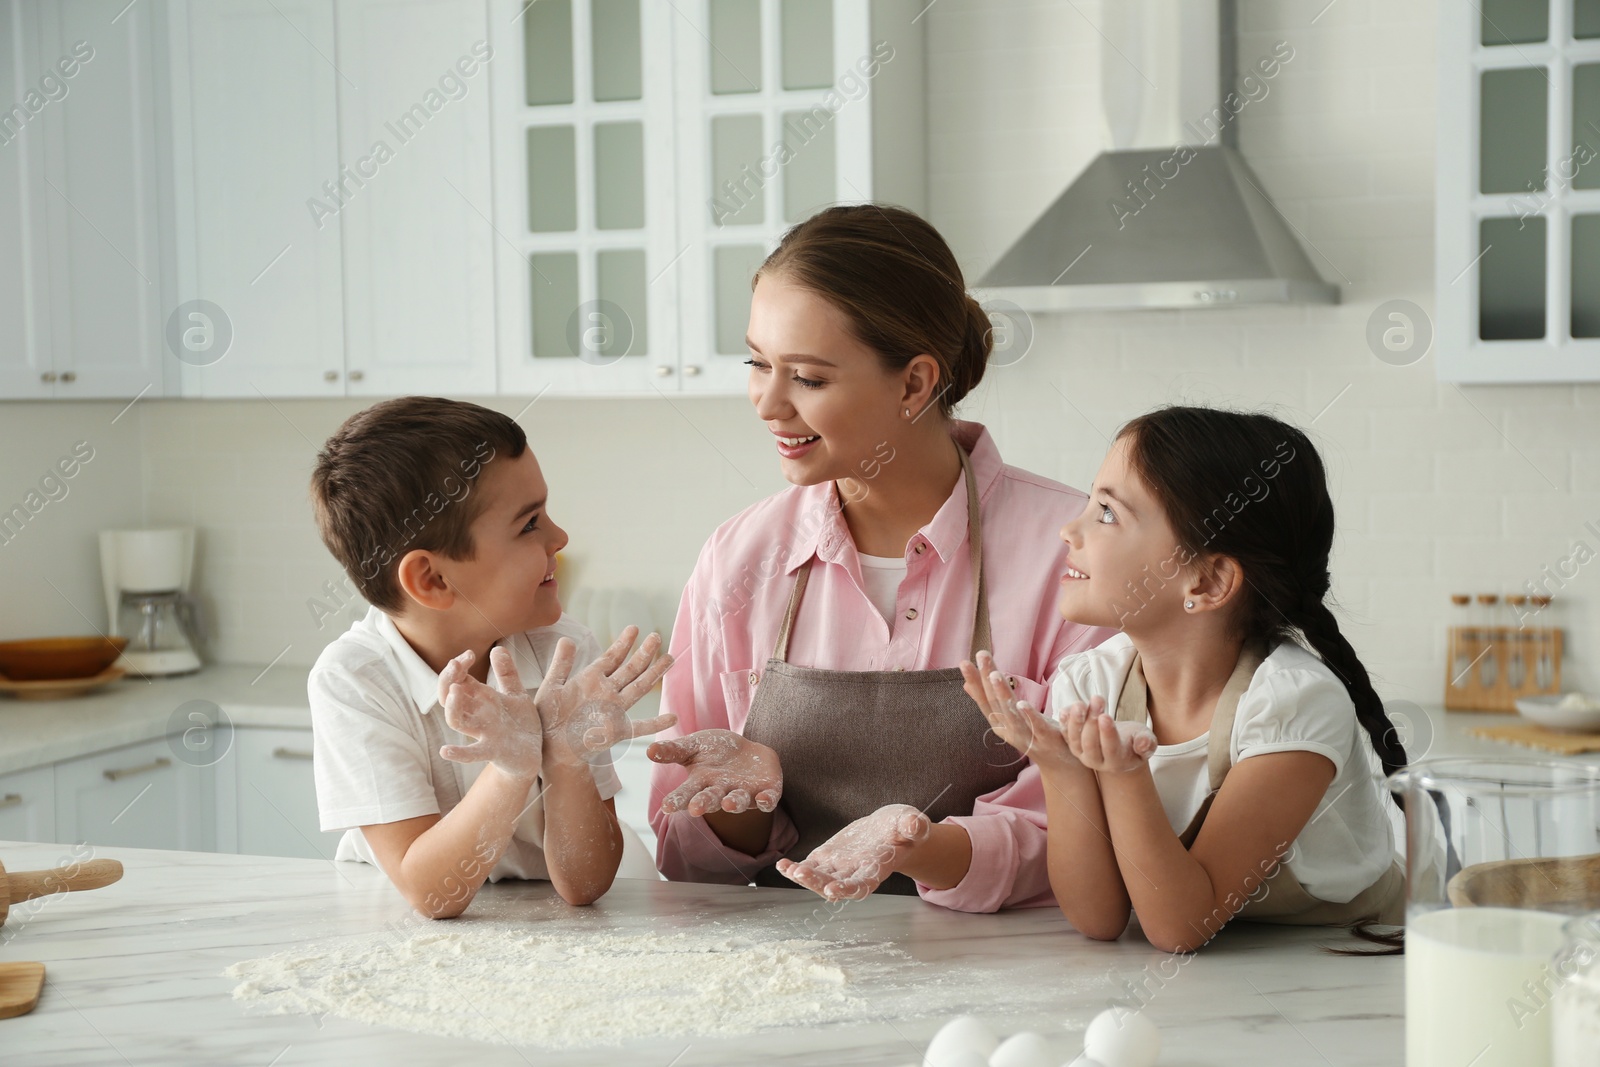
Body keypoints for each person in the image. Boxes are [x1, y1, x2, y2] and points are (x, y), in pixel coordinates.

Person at [646, 204, 1113, 910]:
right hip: (790, 978)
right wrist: (735, 806)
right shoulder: (739, 558)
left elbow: (1088, 833)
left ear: (915, 384)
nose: (768, 402)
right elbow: (686, 862)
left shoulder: (1071, 553)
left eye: (807, 377)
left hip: (1010, 972)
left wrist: (920, 846)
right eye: (757, 363)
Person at [962, 406, 1407, 952]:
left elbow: (1180, 929)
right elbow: (1097, 916)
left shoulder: (1293, 701)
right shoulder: (1088, 680)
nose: (1068, 529)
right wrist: (1059, 764)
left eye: (1106, 513)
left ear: (1208, 579)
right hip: (1235, 967)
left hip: (1353, 953)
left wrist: (1125, 774)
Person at [307, 397, 674, 917]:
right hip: (402, 931)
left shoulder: (562, 654)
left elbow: (586, 883)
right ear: (433, 579)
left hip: (550, 919)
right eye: (529, 525)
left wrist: (565, 759)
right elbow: (431, 894)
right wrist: (510, 767)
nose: (560, 537)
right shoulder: (355, 681)